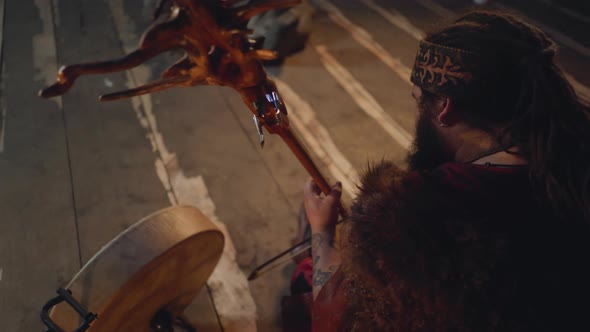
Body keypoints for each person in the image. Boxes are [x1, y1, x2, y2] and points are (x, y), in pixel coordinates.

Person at [286, 10, 590, 332]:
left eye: (419, 101)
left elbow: (336, 317)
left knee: (304, 279)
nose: (418, 113)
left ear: (445, 107)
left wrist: (322, 232)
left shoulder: (409, 214)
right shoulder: (573, 165)